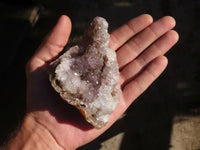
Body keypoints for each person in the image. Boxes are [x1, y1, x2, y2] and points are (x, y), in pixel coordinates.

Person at [6, 14, 179, 150]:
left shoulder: (100, 64)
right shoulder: (80, 65)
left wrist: (43, 140)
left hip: (96, 103)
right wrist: (44, 136)